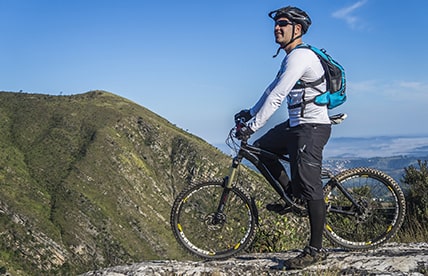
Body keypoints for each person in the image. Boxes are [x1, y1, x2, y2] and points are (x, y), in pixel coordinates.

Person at [234, 6, 331, 270]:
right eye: (276, 24)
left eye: (283, 24)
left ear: (296, 30)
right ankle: (293, 196)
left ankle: (315, 250)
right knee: (261, 151)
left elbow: (278, 97)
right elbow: (270, 91)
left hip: (311, 127)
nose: (277, 28)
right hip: (296, 125)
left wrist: (251, 126)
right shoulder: (289, 58)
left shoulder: (300, 57)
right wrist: (250, 112)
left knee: (312, 187)